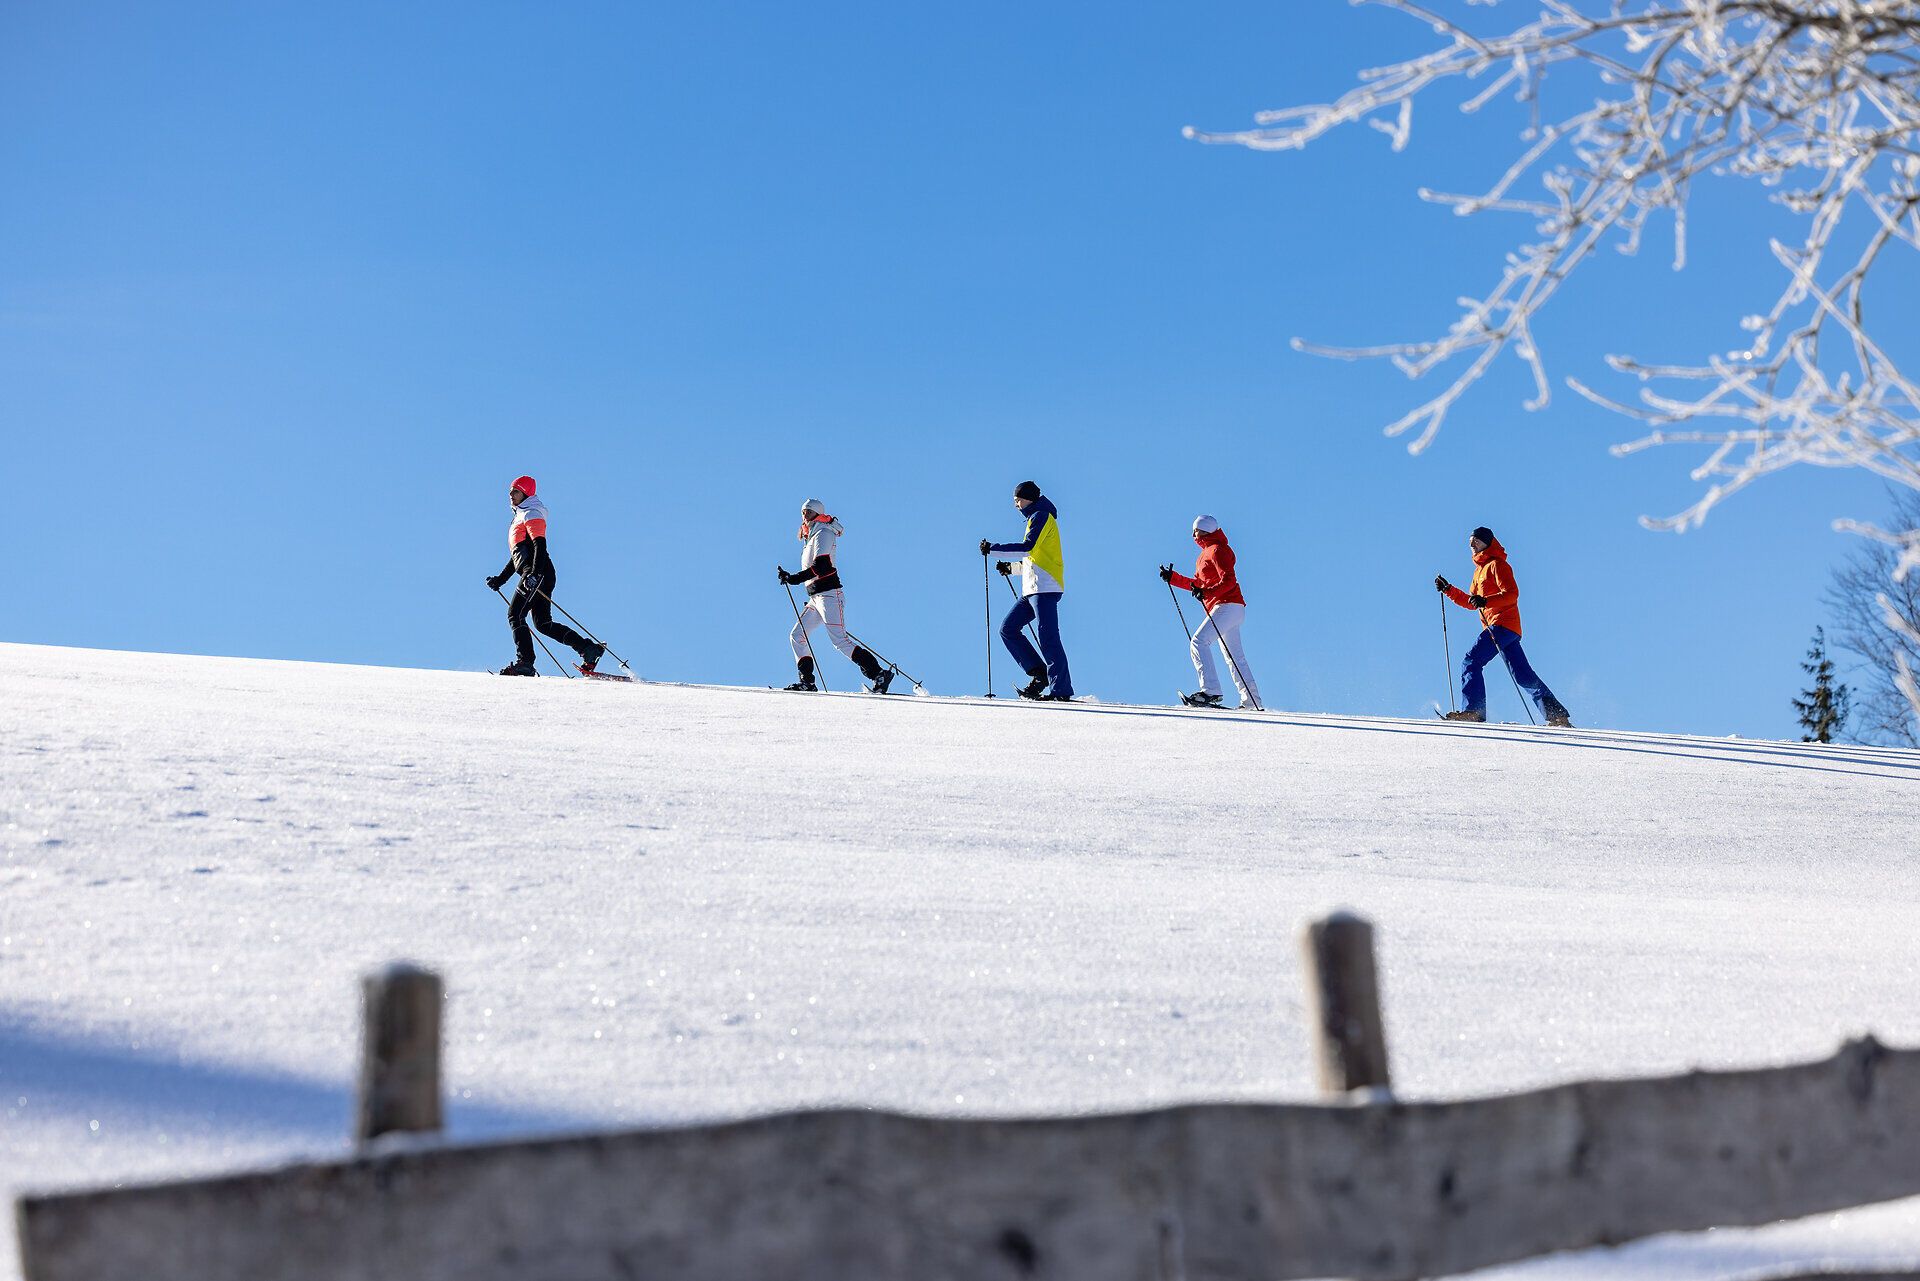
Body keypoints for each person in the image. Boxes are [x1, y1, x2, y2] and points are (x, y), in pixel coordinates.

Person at [1435, 526, 1573, 726]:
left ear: (1487, 542)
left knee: (1471, 661)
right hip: (1504, 628)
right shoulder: (1479, 571)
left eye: (1476, 541)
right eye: (1470, 542)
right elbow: (1471, 602)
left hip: (1502, 623)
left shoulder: (1497, 565)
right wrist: (1449, 590)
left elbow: (1511, 594)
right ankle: (1557, 716)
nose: (1472, 545)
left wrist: (1485, 601)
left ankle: (1473, 711)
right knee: (1523, 675)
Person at [486, 475, 605, 677]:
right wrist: (500, 579)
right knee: (542, 624)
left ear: (526, 493)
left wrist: (534, 573)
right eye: (510, 492)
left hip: (537, 573)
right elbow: (517, 556)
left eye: (515, 491)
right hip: (537, 573)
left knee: (515, 614)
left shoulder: (532, 512)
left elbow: (539, 545)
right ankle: (588, 649)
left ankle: (525, 662)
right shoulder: (520, 516)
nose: (511, 496)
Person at [777, 499, 894, 693]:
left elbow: (822, 566)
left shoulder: (823, 532)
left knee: (839, 641)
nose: (804, 515)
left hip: (829, 595)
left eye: (808, 512)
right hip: (817, 598)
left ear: (817, 513)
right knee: (797, 636)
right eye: (803, 512)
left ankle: (879, 674)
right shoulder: (811, 536)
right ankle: (807, 681)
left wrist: (795, 578)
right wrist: (794, 578)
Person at [981, 480, 1073, 701]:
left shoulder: (1041, 516)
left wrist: (994, 549)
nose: (1016, 505)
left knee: (1048, 636)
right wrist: (1011, 568)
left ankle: (1060, 690)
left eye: (1018, 500)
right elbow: (1034, 559)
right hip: (1033, 589)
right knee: (1008, 629)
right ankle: (1040, 674)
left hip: (1045, 588)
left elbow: (1028, 547)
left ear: (1029, 498)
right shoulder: (1035, 518)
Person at [1160, 515, 1262, 710]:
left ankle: (1210, 691)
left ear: (1204, 530)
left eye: (1195, 531)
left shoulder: (1217, 550)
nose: (1193, 535)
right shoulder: (1205, 554)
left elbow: (1229, 580)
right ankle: (1252, 701)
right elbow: (1199, 584)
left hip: (1227, 605)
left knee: (1198, 642)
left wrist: (1207, 591)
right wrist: (1173, 578)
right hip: (1229, 607)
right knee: (1234, 656)